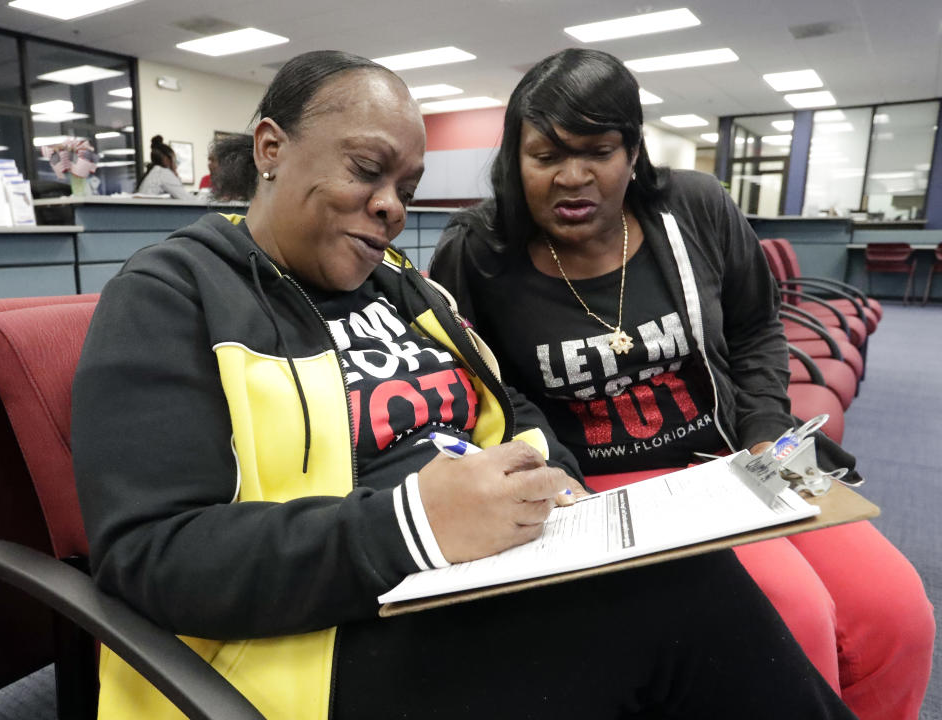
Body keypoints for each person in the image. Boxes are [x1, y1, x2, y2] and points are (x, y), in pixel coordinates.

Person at [72, 50, 858, 720]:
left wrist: (562, 490)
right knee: (685, 602)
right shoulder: (170, 291)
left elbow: (508, 403)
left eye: (405, 187)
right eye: (366, 171)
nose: (388, 207)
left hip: (468, 577)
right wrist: (413, 524)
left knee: (678, 585)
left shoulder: (401, 285)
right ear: (271, 147)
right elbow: (149, 555)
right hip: (313, 641)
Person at [429, 48, 935, 720]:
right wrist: (550, 468)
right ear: (514, 161)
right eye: (546, 155)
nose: (573, 177)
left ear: (632, 153)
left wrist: (765, 432)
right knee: (795, 617)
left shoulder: (694, 209)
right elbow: (478, 386)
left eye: (598, 151)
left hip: (734, 458)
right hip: (599, 486)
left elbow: (757, 327)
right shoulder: (478, 254)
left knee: (898, 613)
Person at [135, 134, 190, 199]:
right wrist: (176, 178)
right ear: (166, 160)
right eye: (175, 162)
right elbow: (187, 199)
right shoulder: (163, 173)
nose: (176, 166)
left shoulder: (154, 172)